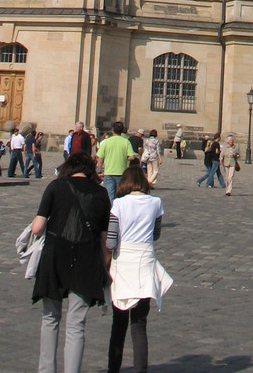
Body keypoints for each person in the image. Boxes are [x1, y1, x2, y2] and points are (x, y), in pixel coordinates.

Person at [30, 149, 111, 373]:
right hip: (86, 258)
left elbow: (37, 228)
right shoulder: (102, 194)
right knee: (76, 324)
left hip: (55, 256)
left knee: (50, 318)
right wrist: (105, 268)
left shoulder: (55, 187)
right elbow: (105, 241)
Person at [107, 161, 172, 373]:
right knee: (139, 324)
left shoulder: (118, 205)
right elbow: (156, 234)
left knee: (119, 323)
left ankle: (113, 369)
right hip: (145, 261)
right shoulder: (155, 203)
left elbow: (110, 241)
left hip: (123, 263)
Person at [97, 122, 135, 201]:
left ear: (112, 130)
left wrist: (100, 171)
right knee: (120, 196)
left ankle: (111, 212)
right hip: (121, 172)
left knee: (109, 196)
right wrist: (123, 157)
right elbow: (132, 157)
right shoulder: (126, 142)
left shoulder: (106, 142)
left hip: (108, 173)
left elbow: (100, 158)